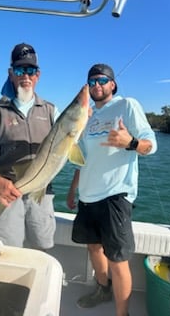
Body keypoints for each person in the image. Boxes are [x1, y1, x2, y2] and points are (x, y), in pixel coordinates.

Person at [67, 64, 157, 316]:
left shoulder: (127, 105)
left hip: (115, 196)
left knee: (118, 259)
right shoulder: (86, 116)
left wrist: (132, 142)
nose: (97, 84)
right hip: (87, 195)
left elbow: (152, 145)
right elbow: (82, 158)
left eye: (102, 80)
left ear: (112, 84)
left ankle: (122, 313)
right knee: (94, 248)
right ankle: (102, 289)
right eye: (92, 81)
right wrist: (73, 189)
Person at [0, 43, 60, 249]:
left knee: (43, 247)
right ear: (11, 73)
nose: (25, 76)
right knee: (5, 250)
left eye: (30, 70)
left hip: (41, 192)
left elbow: (72, 141)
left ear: (37, 75)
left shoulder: (51, 111)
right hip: (6, 193)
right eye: (20, 70)